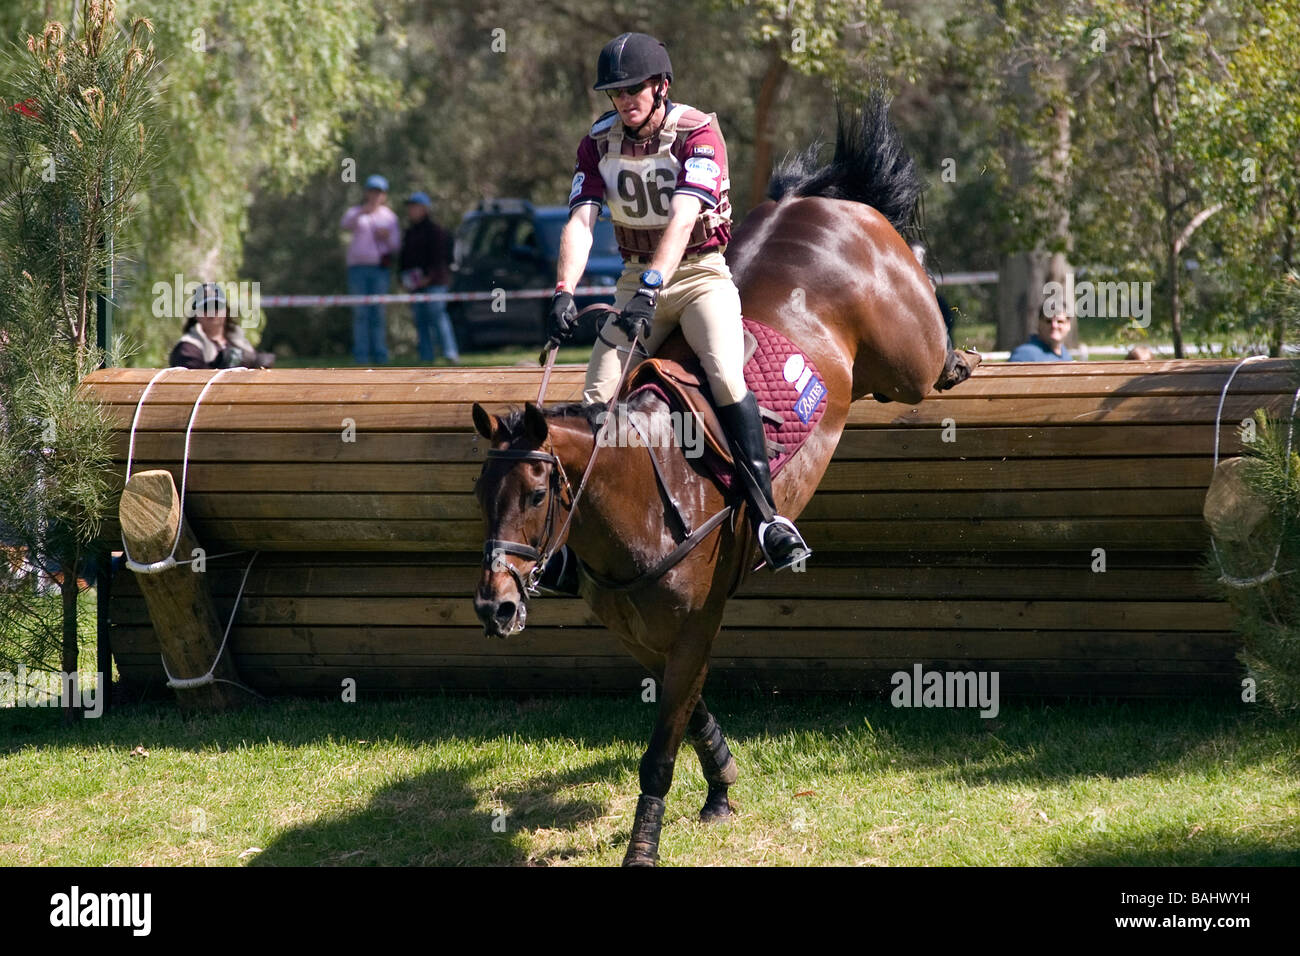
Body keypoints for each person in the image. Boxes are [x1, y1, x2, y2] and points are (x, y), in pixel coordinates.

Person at [541, 32, 810, 590]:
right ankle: (568, 548)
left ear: (661, 86)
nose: (623, 100)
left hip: (699, 275)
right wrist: (564, 288)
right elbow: (583, 219)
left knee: (724, 373)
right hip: (635, 278)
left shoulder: (698, 132)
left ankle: (767, 519)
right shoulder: (596, 143)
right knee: (595, 398)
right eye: (614, 92)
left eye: (633, 89)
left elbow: (686, 215)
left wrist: (655, 286)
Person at [341, 174, 400, 365]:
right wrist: (362, 212)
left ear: (384, 195)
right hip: (357, 270)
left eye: (379, 192)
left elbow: (396, 246)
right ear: (366, 193)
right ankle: (361, 357)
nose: (375, 195)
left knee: (377, 313)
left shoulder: (389, 217)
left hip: (379, 270)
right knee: (360, 313)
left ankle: (380, 356)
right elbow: (345, 224)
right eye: (372, 191)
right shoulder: (357, 213)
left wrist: (387, 236)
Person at [399, 191, 460, 364]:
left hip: (436, 283)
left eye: (414, 207)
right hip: (415, 284)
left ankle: (450, 353)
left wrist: (429, 277)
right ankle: (426, 356)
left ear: (424, 209)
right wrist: (402, 278)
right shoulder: (409, 233)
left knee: (438, 316)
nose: (411, 211)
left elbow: (441, 258)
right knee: (420, 320)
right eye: (410, 207)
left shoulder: (436, 231)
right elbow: (405, 259)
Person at [168, 283, 275, 369]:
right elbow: (195, 388)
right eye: (205, 307)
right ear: (195, 314)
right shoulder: (188, 348)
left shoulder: (239, 341)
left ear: (226, 310)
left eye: (216, 305)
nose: (212, 311)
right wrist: (222, 368)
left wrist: (259, 367)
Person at [1009, 312, 1074, 361]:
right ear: (1039, 324)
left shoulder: (1066, 355)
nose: (1054, 326)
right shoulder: (1025, 354)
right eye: (1048, 321)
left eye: (1060, 321)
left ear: (1068, 325)